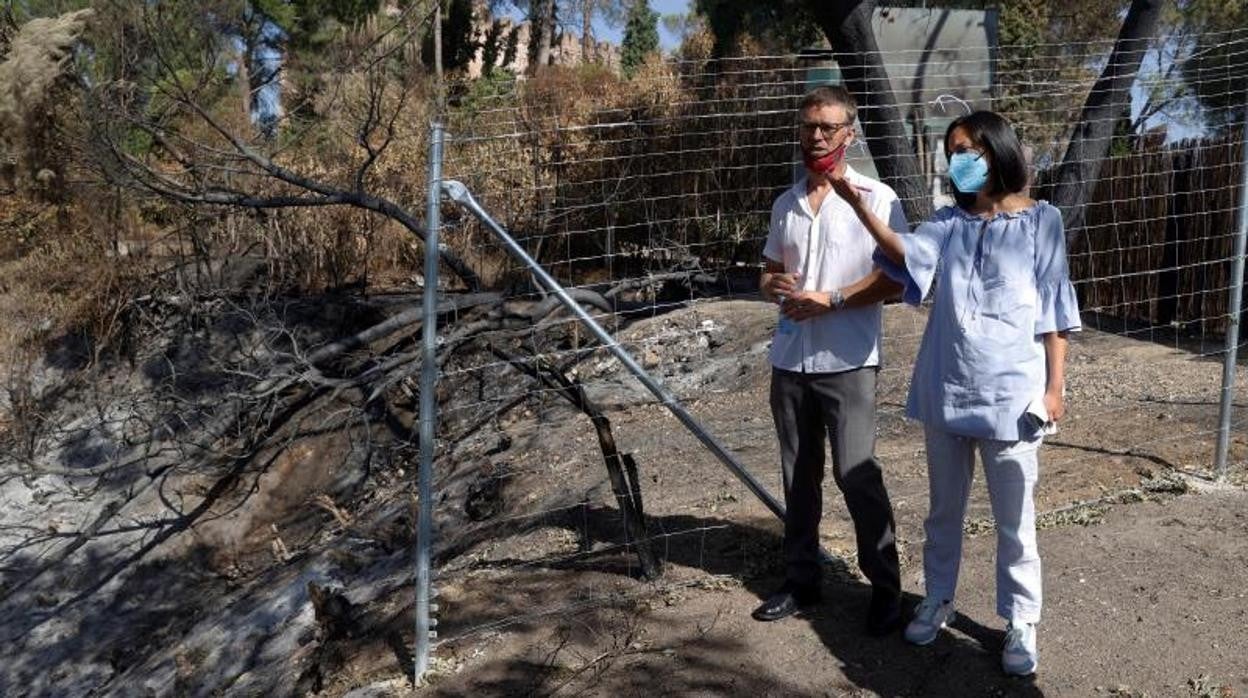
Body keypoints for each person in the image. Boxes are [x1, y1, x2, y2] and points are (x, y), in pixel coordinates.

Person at [828, 110, 1081, 676]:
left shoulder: (1044, 221)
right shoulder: (949, 223)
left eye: (967, 148)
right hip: (948, 386)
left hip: (1014, 397)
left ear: (996, 150)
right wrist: (859, 207)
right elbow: (903, 251)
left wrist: (1055, 386)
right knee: (944, 511)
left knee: (1015, 520)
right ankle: (938, 596)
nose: (958, 160)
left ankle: (1021, 619)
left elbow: (1054, 310)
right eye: (952, 152)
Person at [753, 85, 910, 636]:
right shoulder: (785, 203)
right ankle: (801, 580)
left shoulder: (878, 197)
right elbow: (768, 270)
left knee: (856, 474)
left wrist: (834, 298)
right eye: (807, 127)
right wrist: (772, 283)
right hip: (790, 359)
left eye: (827, 127)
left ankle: (886, 590)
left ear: (851, 133)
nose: (815, 136)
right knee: (799, 476)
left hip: (848, 361)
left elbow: (897, 278)